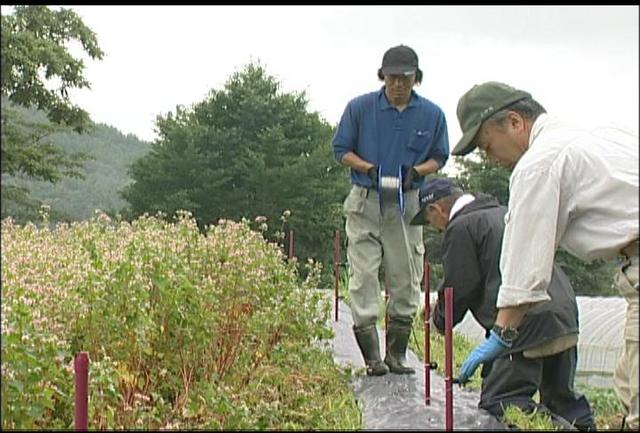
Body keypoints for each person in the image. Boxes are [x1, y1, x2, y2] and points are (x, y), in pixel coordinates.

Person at [450, 81, 639, 430]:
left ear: (514, 122)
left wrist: (501, 333)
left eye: (488, 146)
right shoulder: (595, 137)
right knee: (628, 384)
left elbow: (526, 262)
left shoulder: (539, 163)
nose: (492, 159)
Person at [411, 177, 596, 430]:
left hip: (525, 322)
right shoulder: (505, 213)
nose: (435, 228)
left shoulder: (462, 226)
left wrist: (439, 320)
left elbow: (461, 285)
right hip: (562, 312)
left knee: (501, 402)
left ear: (437, 209)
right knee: (561, 401)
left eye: (430, 221)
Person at [332, 44, 449, 376]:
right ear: (383, 76)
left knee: (406, 274)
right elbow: (340, 149)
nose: (398, 84)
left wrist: (419, 170)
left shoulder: (432, 115)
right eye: (392, 77)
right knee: (364, 274)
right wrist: (366, 167)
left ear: (416, 79)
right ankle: (371, 357)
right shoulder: (360, 108)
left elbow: (440, 155)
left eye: (405, 78)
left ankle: (396, 354)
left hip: (407, 201)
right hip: (366, 198)